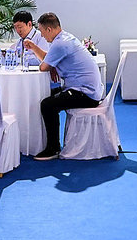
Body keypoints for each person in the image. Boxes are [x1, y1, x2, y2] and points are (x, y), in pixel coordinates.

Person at [31, 12, 104, 160]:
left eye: (42, 32)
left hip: (85, 94)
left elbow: (43, 67)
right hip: (89, 89)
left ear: (49, 29)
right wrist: (33, 47)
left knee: (47, 105)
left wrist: (51, 66)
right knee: (49, 95)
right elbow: (49, 60)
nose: (42, 36)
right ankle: (47, 142)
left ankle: (53, 148)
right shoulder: (65, 38)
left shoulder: (60, 44)